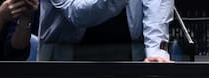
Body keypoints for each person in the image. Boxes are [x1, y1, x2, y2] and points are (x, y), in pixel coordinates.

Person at [36, 0, 171, 62]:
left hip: (132, 56)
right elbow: (76, 13)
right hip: (64, 58)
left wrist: (156, 55)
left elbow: (157, 12)